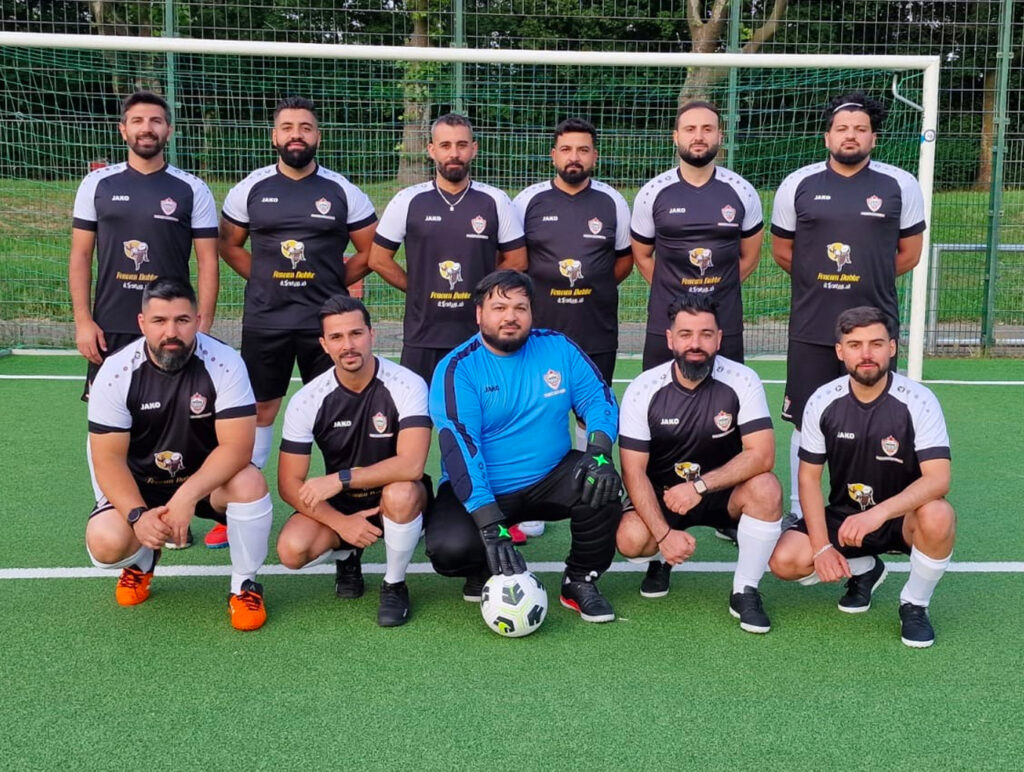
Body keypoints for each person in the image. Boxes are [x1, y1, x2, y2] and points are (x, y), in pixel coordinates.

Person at [425, 270, 623, 623]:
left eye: (520, 307)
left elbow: (599, 398)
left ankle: (579, 580)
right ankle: (481, 569)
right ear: (479, 314)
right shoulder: (458, 368)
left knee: (602, 485)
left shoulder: (558, 348)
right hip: (485, 488)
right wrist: (489, 522)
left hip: (550, 476)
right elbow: (460, 451)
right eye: (499, 307)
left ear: (531, 312)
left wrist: (599, 451)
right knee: (449, 549)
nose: (510, 317)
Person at [70, 90, 219, 549]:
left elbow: (208, 261)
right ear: (123, 130)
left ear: (168, 129)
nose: (146, 128)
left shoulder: (191, 188)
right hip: (112, 325)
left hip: (171, 329)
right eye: (137, 121)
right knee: (107, 422)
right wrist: (82, 320)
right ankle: (118, 510)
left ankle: (179, 511)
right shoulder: (97, 184)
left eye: (155, 120)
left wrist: (203, 324)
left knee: (180, 417)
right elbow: (81, 255)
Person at [771, 92, 926, 524]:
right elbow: (782, 251)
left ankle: (871, 509)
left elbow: (909, 254)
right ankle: (801, 512)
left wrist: (864, 282)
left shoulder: (900, 185)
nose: (850, 136)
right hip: (813, 325)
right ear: (827, 137)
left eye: (860, 129)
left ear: (873, 138)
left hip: (874, 329)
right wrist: (824, 281)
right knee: (806, 419)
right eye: (842, 129)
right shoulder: (797, 184)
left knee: (877, 419)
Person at [85, 278, 273, 631]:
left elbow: (237, 447)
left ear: (198, 321)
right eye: (159, 321)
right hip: (142, 484)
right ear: (142, 323)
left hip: (206, 483)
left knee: (249, 483)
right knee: (106, 544)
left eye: (182, 320)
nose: (171, 332)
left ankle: (244, 585)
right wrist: (138, 516)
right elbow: (107, 460)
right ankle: (142, 561)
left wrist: (186, 497)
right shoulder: (115, 371)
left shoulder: (225, 362)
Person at [769, 306, 955, 648]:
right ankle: (865, 569)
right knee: (785, 561)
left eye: (876, 344)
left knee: (939, 514)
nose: (866, 354)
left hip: (903, 517)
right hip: (846, 517)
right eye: (855, 345)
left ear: (892, 348)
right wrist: (822, 547)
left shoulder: (919, 401)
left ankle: (914, 604)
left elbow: (938, 479)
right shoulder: (823, 400)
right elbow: (808, 479)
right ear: (840, 351)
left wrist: (878, 513)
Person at [219, 96, 377, 495]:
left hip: (324, 323)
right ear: (274, 136)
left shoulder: (342, 190)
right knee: (261, 407)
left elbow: (372, 251)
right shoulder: (250, 188)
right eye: (288, 128)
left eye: (305, 128)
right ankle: (245, 494)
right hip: (266, 319)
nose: (297, 135)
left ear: (317, 136)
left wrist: (334, 282)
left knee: (336, 405)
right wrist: (265, 279)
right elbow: (229, 246)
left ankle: (348, 493)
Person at [616, 294, 783, 633]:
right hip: (665, 496)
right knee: (631, 539)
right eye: (686, 334)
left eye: (706, 334)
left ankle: (745, 589)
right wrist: (664, 535)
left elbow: (762, 455)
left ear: (719, 338)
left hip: (722, 491)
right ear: (670, 339)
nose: (695, 344)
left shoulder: (742, 379)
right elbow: (633, 472)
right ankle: (661, 559)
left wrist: (700, 487)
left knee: (767, 488)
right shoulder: (643, 389)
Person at [275, 295, 432, 627]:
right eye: (336, 337)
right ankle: (348, 554)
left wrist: (339, 479)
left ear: (371, 335)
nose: (348, 345)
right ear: (324, 344)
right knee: (292, 550)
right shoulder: (308, 399)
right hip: (343, 502)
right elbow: (289, 484)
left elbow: (412, 465)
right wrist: (340, 522)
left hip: (396, 493)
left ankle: (394, 584)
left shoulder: (407, 384)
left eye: (356, 334)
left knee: (401, 493)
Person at [511, 118, 632, 542]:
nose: (574, 157)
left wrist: (590, 289)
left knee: (591, 413)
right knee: (536, 411)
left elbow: (622, 261)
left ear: (594, 156)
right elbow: (514, 259)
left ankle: (586, 489)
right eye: (566, 150)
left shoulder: (613, 202)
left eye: (583, 150)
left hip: (594, 328)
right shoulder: (528, 201)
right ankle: (532, 499)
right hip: (540, 334)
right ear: (553, 155)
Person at [367, 113, 527, 385]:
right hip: (422, 336)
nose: (454, 153)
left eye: (462, 145)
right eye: (445, 145)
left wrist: (485, 294)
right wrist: (417, 288)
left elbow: (518, 260)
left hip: (479, 334)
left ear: (474, 149)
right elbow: (378, 259)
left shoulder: (495, 200)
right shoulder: (408, 200)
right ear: (432, 150)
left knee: (480, 407)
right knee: (420, 408)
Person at [631, 100, 763, 369]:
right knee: (661, 392)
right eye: (690, 129)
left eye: (707, 129)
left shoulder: (743, 191)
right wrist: (673, 291)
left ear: (720, 136)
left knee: (726, 394)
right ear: (676, 136)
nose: (699, 136)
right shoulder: (652, 192)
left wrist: (719, 288)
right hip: (667, 319)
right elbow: (641, 256)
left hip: (724, 319)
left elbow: (750, 256)